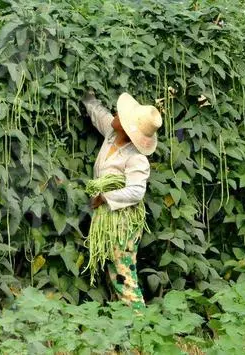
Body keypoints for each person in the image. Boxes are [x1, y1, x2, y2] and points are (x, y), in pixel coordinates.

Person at [81, 90, 162, 309]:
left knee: (124, 275)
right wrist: (87, 97)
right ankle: (124, 328)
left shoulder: (135, 157)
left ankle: (139, 329)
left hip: (123, 222)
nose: (115, 114)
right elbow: (99, 113)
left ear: (127, 128)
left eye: (120, 115)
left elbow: (136, 191)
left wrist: (105, 197)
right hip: (109, 217)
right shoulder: (112, 133)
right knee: (115, 273)